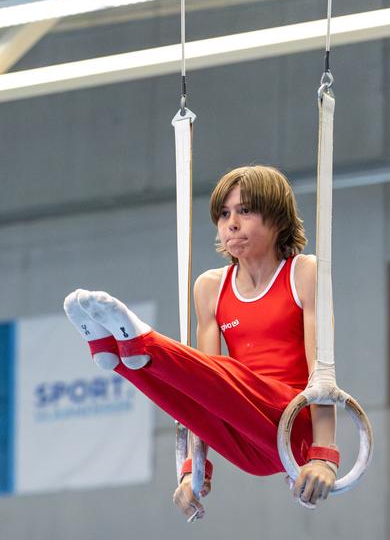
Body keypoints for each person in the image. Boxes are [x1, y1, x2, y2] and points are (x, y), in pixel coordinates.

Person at [64, 165, 339, 521]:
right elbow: (204, 389)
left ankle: (143, 344)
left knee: (223, 372)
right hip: (247, 442)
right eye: (224, 214)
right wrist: (194, 469)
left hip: (293, 421)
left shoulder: (304, 273)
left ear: (277, 218)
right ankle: (118, 356)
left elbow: (323, 373)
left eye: (245, 211)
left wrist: (324, 455)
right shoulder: (210, 288)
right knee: (200, 383)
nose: (231, 223)